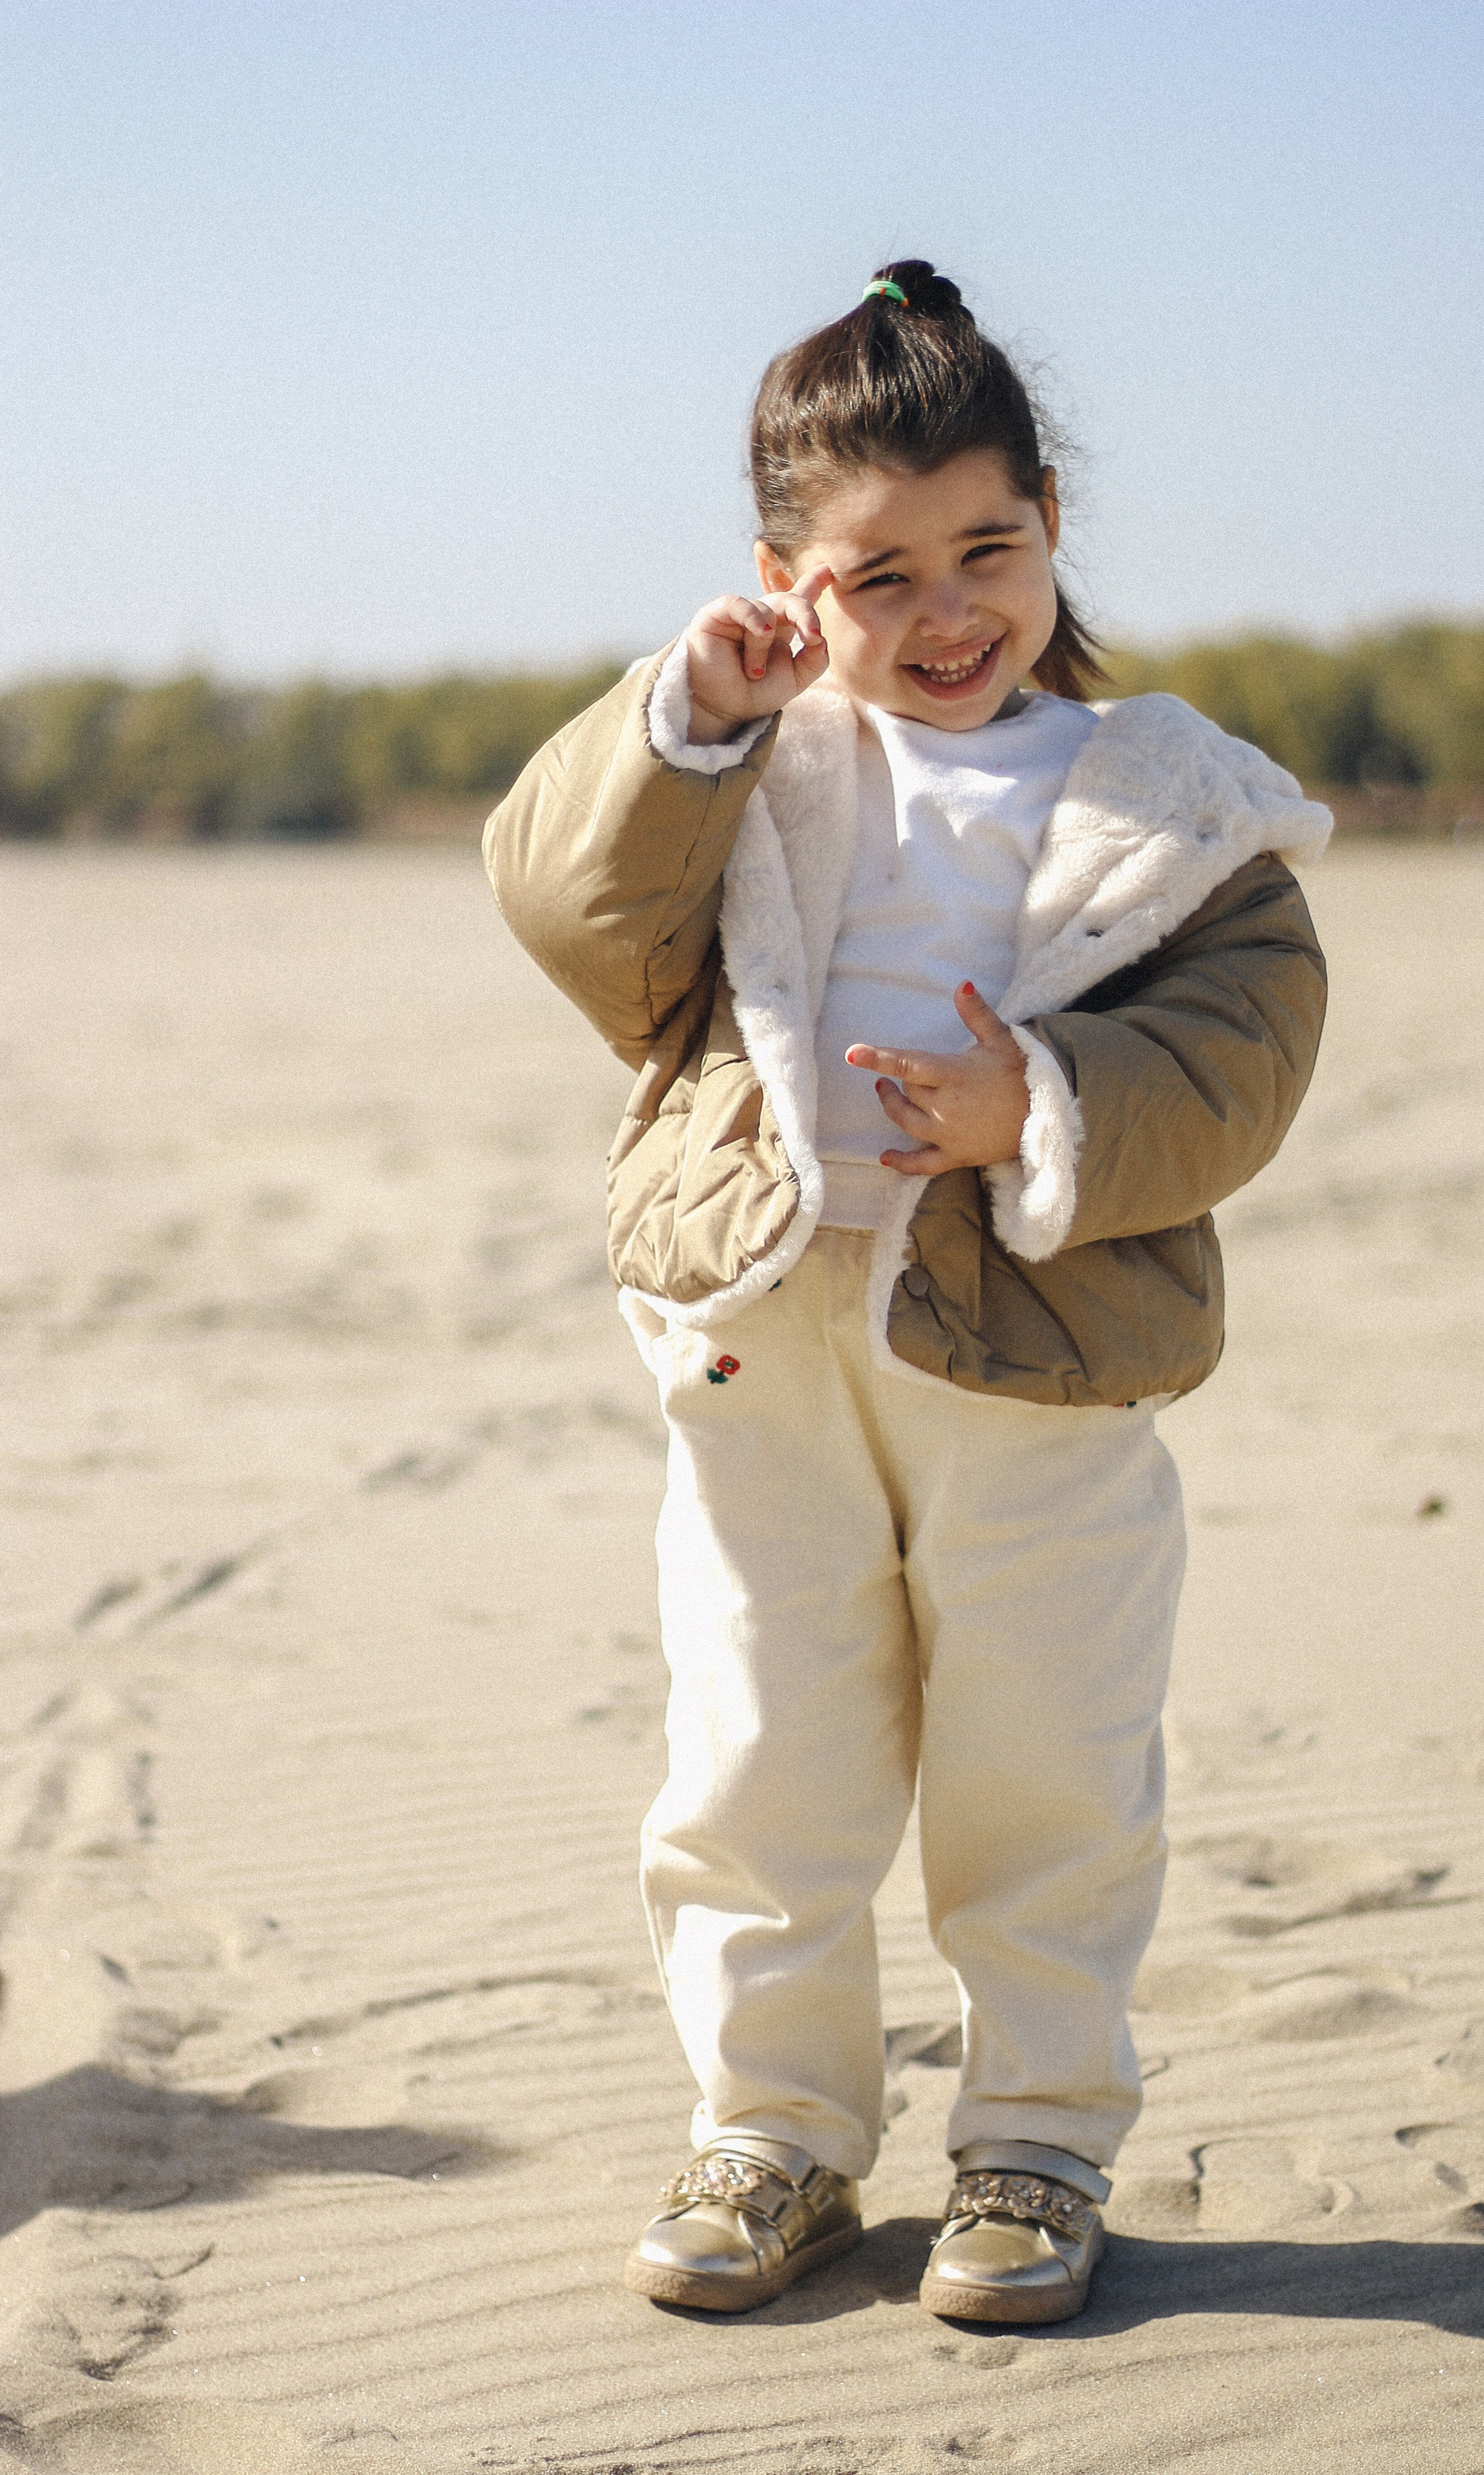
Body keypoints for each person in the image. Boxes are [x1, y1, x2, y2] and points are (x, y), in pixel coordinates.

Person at [483, 261, 1330, 2325]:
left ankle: (1035, 2144)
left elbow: (1248, 1045)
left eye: (991, 551)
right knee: (762, 1749)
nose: (948, 614)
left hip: (1040, 1351)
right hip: (761, 1337)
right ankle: (774, 2134)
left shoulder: (1162, 793)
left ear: (1053, 527)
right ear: (786, 581)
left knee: (1046, 1755)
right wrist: (687, 710)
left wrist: (1033, 1096)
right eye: (880, 578)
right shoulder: (745, 773)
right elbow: (565, 902)